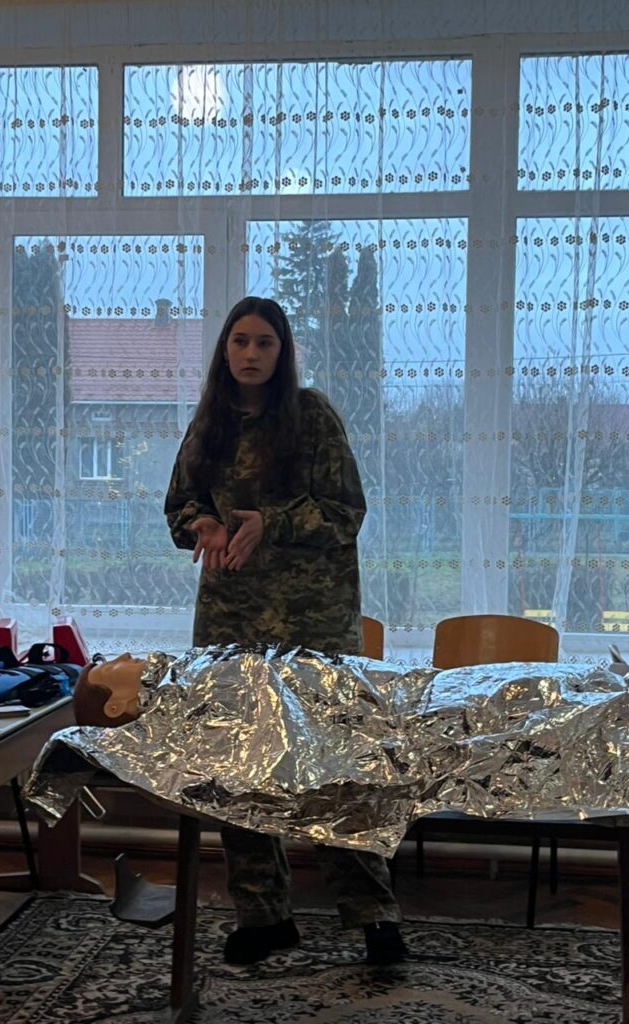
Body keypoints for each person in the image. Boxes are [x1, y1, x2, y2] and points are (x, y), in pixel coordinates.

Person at [164, 296, 406, 967]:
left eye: (264, 342)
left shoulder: (311, 416)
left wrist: (270, 522)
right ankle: (264, 915)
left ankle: (373, 916)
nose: (250, 354)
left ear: (283, 351)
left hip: (313, 625)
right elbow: (179, 504)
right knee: (239, 768)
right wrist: (202, 525)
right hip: (231, 621)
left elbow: (345, 513)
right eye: (239, 341)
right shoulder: (210, 421)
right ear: (224, 350)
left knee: (336, 767)